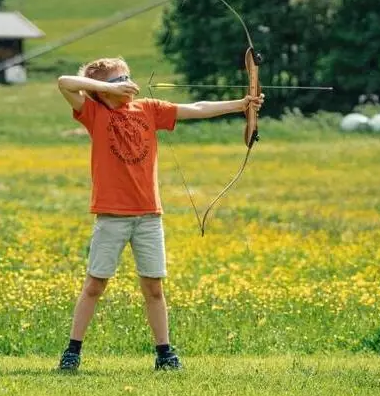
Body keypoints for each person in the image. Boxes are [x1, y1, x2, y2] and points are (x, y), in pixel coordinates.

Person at [56, 57, 263, 371]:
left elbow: (196, 108)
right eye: (118, 81)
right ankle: (73, 351)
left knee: (153, 287)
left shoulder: (148, 108)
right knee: (95, 285)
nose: (128, 82)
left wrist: (241, 105)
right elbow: (64, 83)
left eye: (128, 76)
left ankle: (164, 353)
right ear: (101, 92)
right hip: (112, 216)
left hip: (149, 216)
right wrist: (101, 88)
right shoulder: (95, 113)